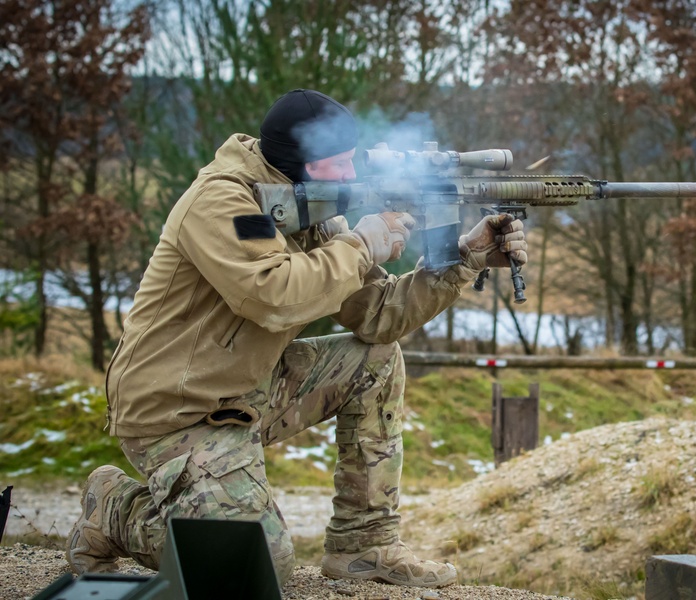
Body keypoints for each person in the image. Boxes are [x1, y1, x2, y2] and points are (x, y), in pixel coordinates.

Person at [64, 89, 528, 589]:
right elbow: (272, 295)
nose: (351, 175)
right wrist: (360, 244)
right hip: (171, 409)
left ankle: (364, 544)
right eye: (338, 164)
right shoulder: (224, 200)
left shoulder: (314, 207)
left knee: (375, 357)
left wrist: (466, 259)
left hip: (243, 391)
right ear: (298, 162)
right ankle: (115, 510)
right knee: (259, 561)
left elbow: (376, 317)